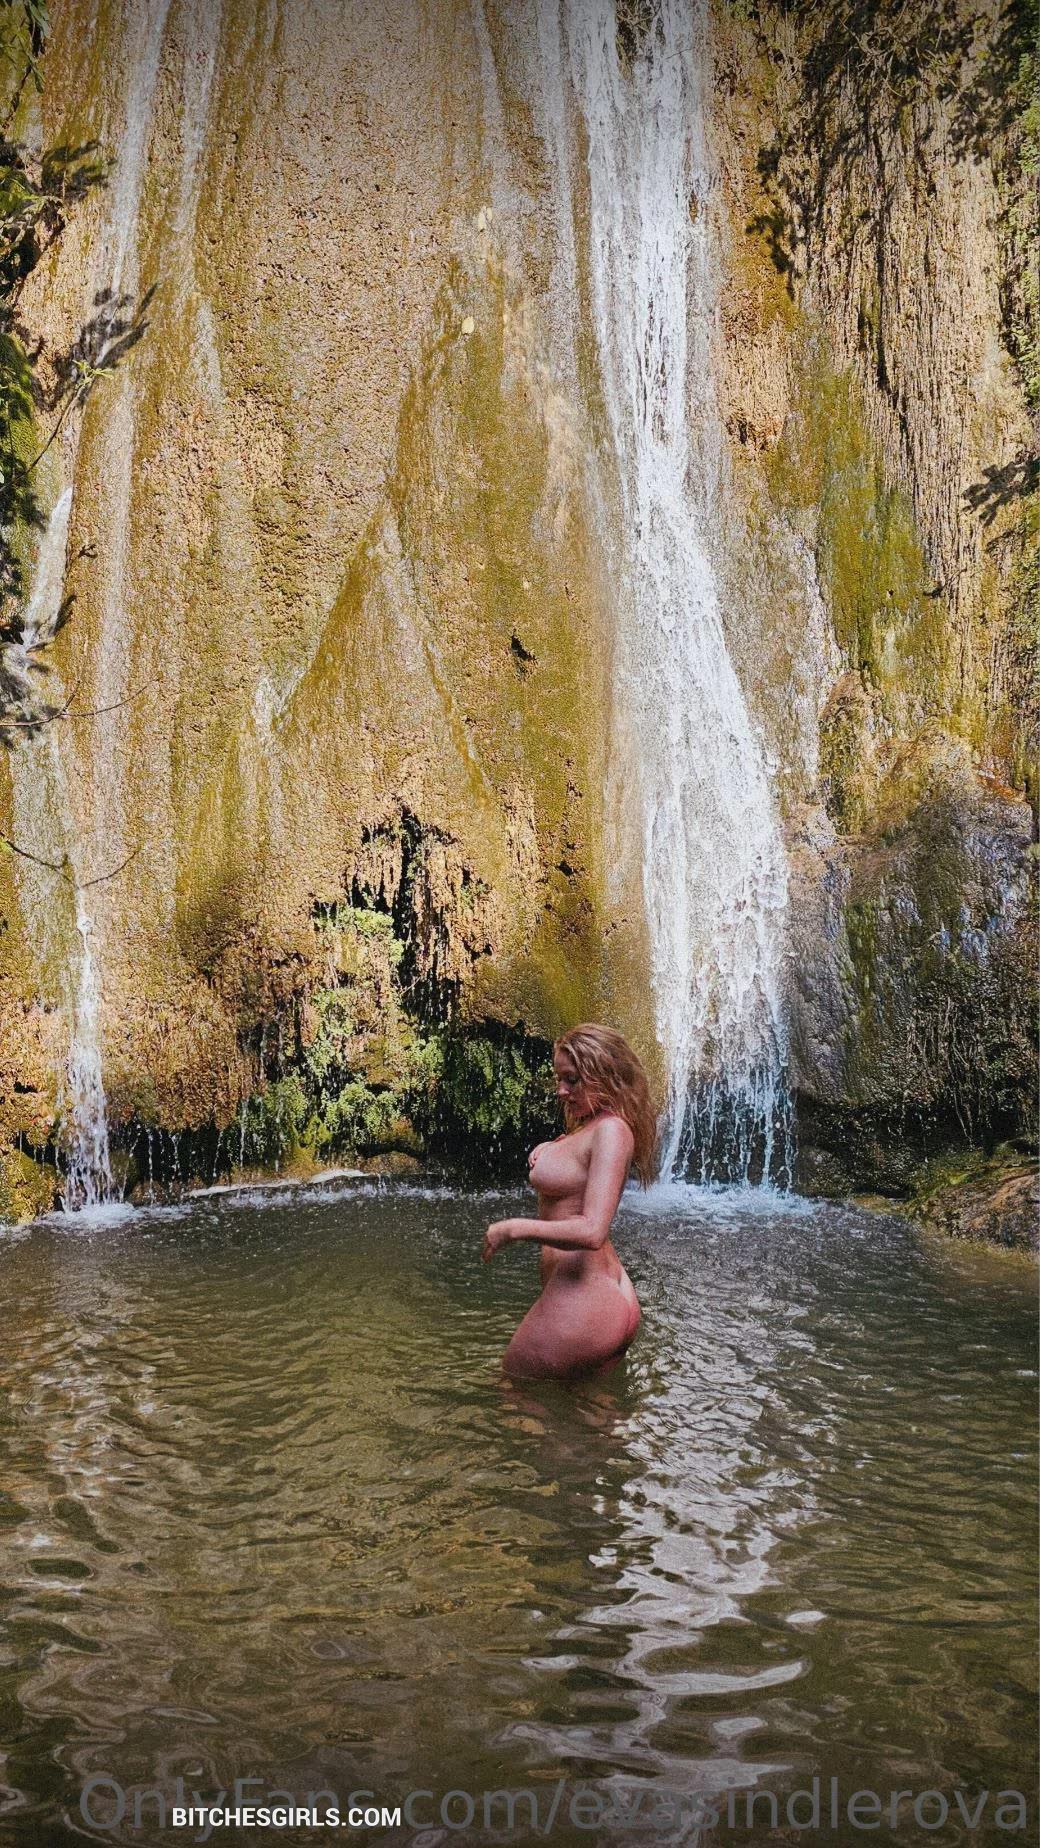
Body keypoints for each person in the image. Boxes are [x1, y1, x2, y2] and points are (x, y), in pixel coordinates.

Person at [481, 1023, 656, 1380]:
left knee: (515, 1389)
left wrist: (515, 1229)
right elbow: (577, 1171)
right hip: (596, 1296)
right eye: (559, 1079)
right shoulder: (594, 1127)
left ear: (605, 1074)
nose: (561, 1091)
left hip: (585, 1297)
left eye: (572, 1080)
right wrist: (554, 1147)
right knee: (588, 1409)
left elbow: (592, 1230)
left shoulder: (611, 1130)